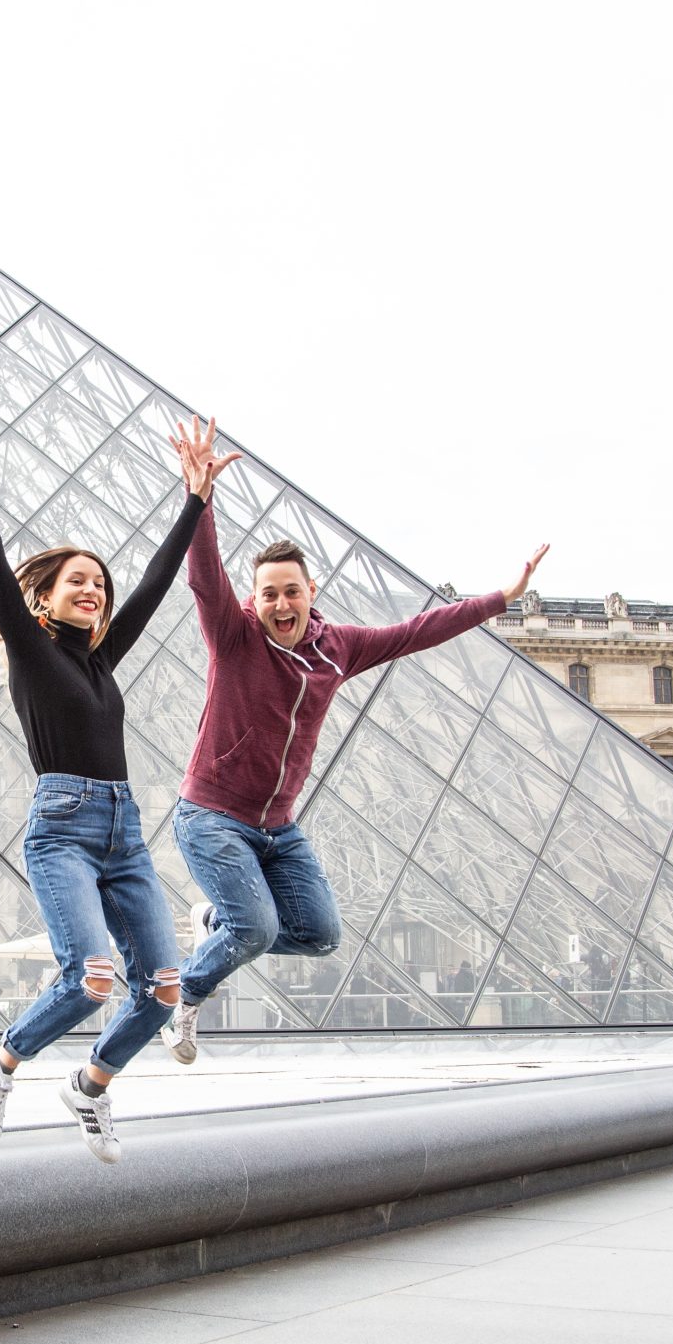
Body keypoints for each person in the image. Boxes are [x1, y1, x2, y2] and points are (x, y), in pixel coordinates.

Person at [156, 415, 545, 1060]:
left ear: (312, 592)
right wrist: (200, 499)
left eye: (292, 592)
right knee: (255, 930)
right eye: (269, 594)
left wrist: (499, 599)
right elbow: (203, 577)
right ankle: (188, 996)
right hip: (212, 815)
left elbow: (416, 632)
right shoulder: (233, 635)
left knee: (318, 935)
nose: (282, 604)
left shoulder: (339, 648)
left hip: (278, 825)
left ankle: (216, 924)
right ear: (253, 599)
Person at [0, 401, 207, 1164]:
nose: (94, 590)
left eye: (99, 583)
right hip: (62, 830)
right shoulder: (31, 650)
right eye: (77, 581)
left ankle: (91, 1084)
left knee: (162, 988)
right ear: (44, 599)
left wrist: (195, 501)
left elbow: (155, 584)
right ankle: (0, 1065)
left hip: (124, 834)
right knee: (92, 978)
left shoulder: (100, 659)